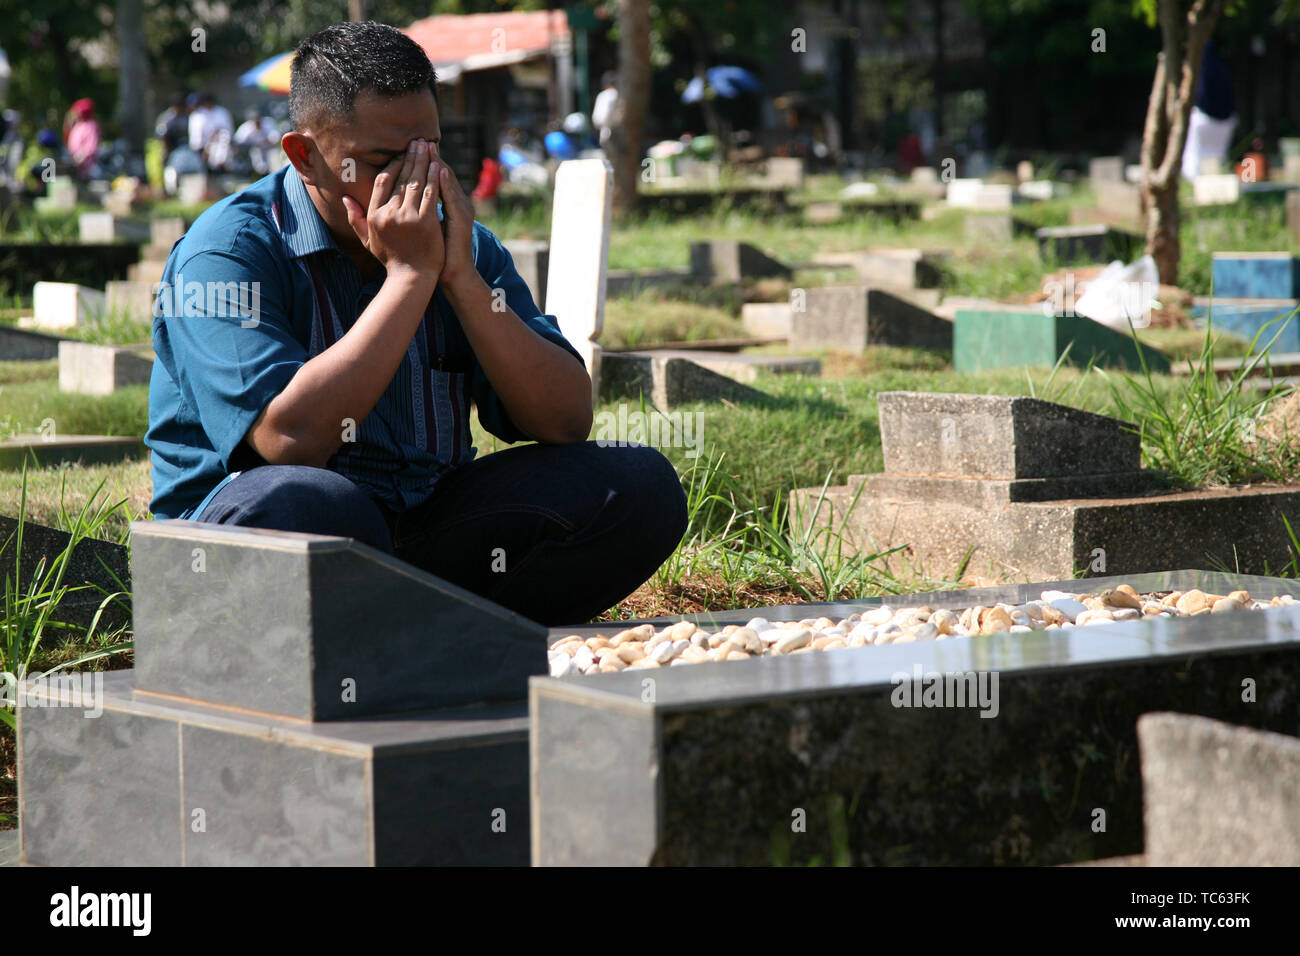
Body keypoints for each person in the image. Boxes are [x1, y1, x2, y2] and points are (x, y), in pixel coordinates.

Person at [145, 21, 687, 626]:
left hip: (421, 528)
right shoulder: (227, 254)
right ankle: (403, 640)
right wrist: (408, 279)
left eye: (428, 151)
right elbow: (288, 442)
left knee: (638, 486)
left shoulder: (462, 247)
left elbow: (565, 418)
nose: (414, 181)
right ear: (304, 156)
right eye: (381, 160)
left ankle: (443, 641)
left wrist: (459, 280)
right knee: (313, 505)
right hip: (264, 531)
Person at [1181, 38, 1236, 180]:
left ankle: (1191, 180)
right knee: (1218, 155)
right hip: (1227, 120)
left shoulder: (1201, 68)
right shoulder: (1223, 68)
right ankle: (1217, 177)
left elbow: (1201, 94)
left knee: (1193, 153)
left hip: (1203, 118)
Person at [64, 98, 100, 180]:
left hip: (86, 166)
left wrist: (81, 156)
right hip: (74, 162)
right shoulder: (78, 125)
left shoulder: (90, 126)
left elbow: (91, 147)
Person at [591, 72, 618, 147]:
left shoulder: (603, 95)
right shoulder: (618, 94)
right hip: (618, 131)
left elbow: (597, 118)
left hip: (606, 130)